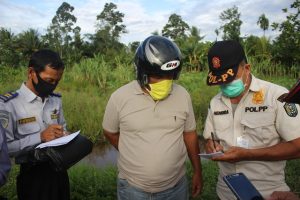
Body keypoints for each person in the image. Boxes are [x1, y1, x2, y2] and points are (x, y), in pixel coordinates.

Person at [102, 35, 203, 200]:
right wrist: (131, 152)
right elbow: (110, 132)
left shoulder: (182, 95)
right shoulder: (119, 97)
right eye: (158, 77)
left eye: (170, 76)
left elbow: (190, 135)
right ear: (142, 73)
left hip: (176, 188)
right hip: (133, 189)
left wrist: (198, 171)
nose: (164, 82)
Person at [203, 40, 300, 199]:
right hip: (226, 191)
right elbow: (209, 141)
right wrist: (212, 147)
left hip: (267, 192)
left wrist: (248, 154)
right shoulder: (215, 102)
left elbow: (297, 147)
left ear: (246, 68)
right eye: (221, 81)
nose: (225, 84)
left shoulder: (276, 96)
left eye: (230, 78)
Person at [0, 49, 70, 200]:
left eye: (57, 81)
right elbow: (6, 149)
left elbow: (63, 126)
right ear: (31, 72)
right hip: (33, 176)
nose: (53, 86)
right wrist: (40, 137)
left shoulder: (55, 100)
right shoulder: (9, 105)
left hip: (59, 171)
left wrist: (66, 134)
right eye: (49, 80)